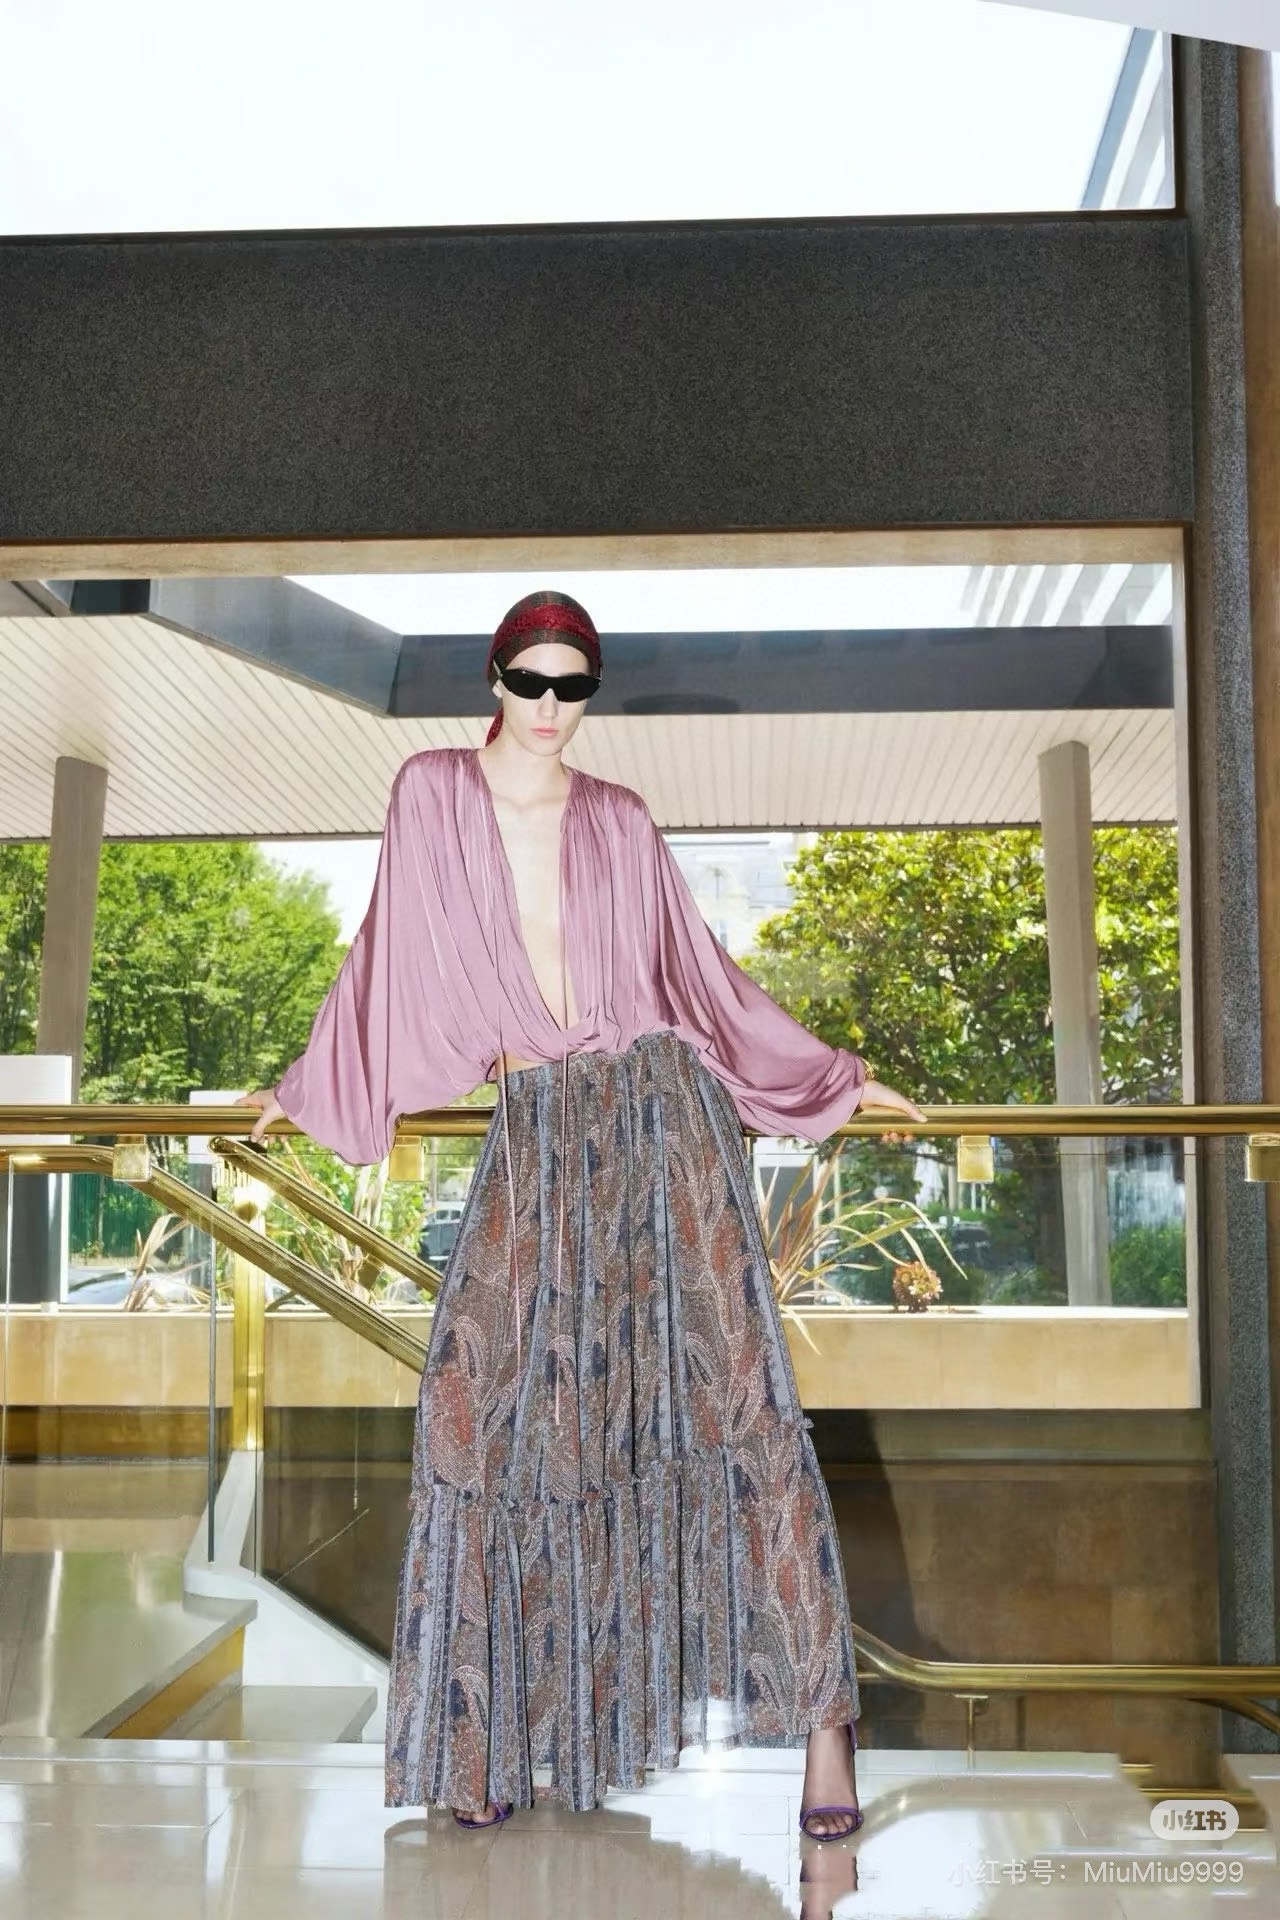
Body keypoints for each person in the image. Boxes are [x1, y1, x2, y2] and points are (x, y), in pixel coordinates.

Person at [236, 589, 925, 1839]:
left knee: (738, 1415)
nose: (550, 708)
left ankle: (826, 1730)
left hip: (666, 1128)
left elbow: (698, 980)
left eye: (573, 687)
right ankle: (493, 1733)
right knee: (485, 1416)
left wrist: (827, 1078)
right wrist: (303, 1086)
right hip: (539, 1131)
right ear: (492, 679)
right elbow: (384, 954)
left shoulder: (620, 817)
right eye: (529, 681)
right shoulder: (430, 792)